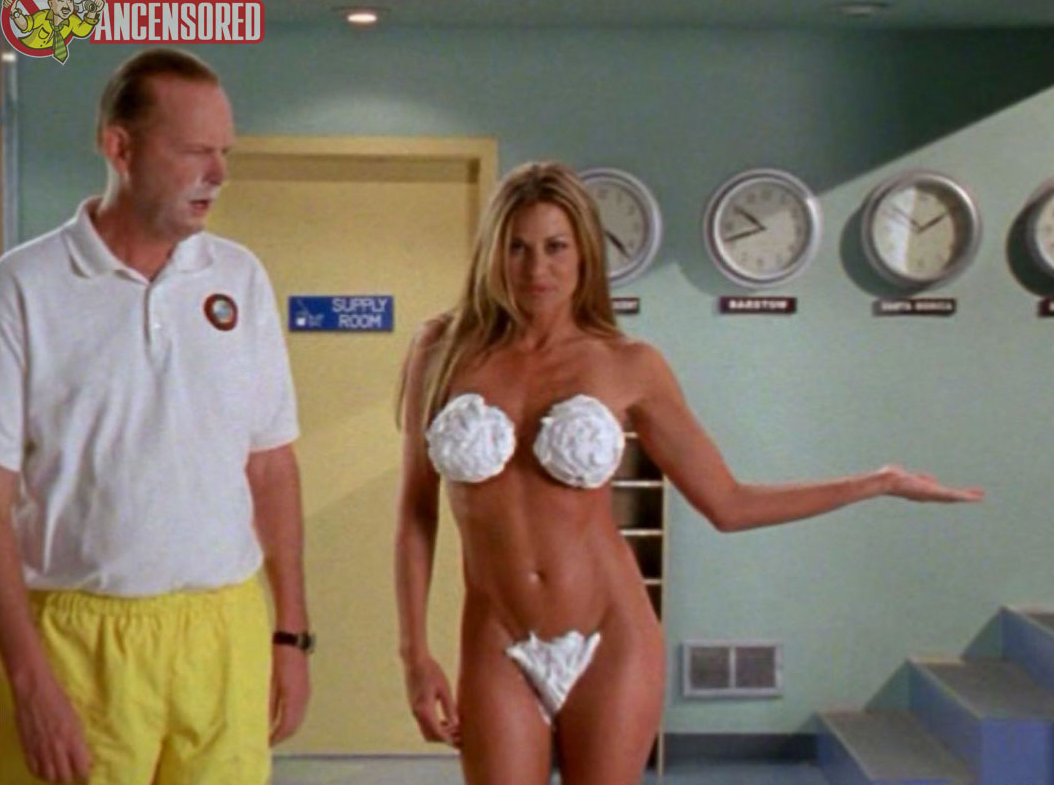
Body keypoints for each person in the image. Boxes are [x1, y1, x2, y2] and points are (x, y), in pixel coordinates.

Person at [394, 161, 983, 785]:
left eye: (555, 247)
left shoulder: (630, 364)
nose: (537, 269)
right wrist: (414, 654)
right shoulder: (441, 352)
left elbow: (727, 503)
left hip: (611, 636)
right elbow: (415, 514)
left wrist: (876, 482)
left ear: (585, 252)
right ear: (492, 252)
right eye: (517, 247)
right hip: (497, 637)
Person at [0, 48, 310, 784]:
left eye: (224, 152)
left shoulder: (240, 278)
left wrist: (291, 634)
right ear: (120, 147)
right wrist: (28, 680)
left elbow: (271, 465)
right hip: (79, 642)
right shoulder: (23, 288)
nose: (218, 173)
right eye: (195, 151)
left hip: (225, 634)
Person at [3, 0, 104, 63]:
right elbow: (25, 25)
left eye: (70, 1)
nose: (66, 6)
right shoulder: (43, 16)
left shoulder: (72, 20)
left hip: (49, 63)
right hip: (26, 56)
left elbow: (83, 30)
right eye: (60, 1)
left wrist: (93, 10)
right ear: (51, 4)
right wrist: (15, 13)